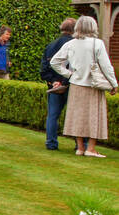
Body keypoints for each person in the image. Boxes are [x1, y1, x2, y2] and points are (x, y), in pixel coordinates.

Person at [50, 15, 118, 158]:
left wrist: (69, 74)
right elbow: (106, 66)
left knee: (78, 116)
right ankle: (90, 149)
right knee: (94, 116)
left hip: (76, 84)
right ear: (93, 27)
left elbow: (55, 62)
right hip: (93, 85)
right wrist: (113, 84)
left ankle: (80, 147)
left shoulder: (71, 43)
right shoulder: (97, 43)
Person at [40, 17, 77, 152]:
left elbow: (44, 68)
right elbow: (74, 66)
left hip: (54, 85)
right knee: (75, 115)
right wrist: (64, 82)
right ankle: (80, 144)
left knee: (53, 115)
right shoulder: (75, 45)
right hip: (70, 84)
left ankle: (51, 143)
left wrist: (53, 81)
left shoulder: (50, 45)